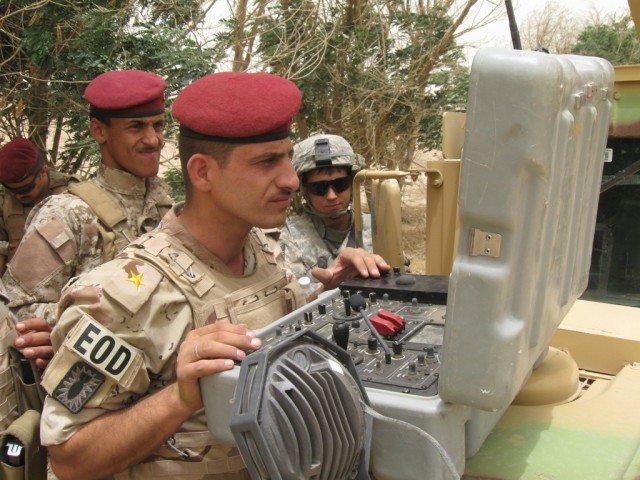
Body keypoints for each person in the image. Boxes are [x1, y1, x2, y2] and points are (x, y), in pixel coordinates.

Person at [38, 71, 390, 479]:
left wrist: (324, 303)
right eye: (266, 162)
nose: (292, 179)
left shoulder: (263, 248)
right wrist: (182, 398)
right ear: (202, 172)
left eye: (286, 157)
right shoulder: (123, 296)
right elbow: (69, 459)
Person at [2, 70, 172, 369]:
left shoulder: (169, 208)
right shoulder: (69, 214)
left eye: (158, 125)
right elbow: (15, 309)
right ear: (99, 131)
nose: (153, 139)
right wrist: (68, 324)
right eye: (136, 127)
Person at [278, 133, 374, 289]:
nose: (331, 196)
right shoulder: (290, 237)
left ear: (352, 184)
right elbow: (295, 304)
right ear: (305, 191)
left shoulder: (376, 230)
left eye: (340, 184)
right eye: (319, 188)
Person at [0, 138, 77, 275]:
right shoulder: (4, 200)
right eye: (13, 191)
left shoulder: (73, 192)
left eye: (25, 188)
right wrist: (8, 251)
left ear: (43, 171)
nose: (19, 196)